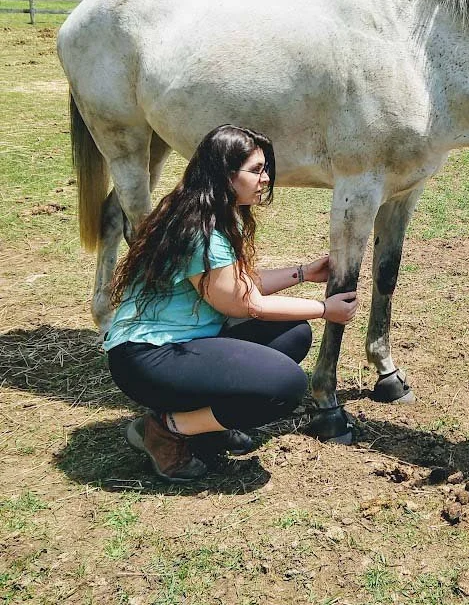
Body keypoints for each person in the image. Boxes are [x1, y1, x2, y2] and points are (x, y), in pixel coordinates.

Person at [103, 125, 359, 483]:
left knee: (292, 334)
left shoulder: (208, 211)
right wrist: (324, 309)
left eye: (265, 169)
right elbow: (246, 304)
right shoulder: (200, 229)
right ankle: (165, 429)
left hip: (178, 347)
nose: (266, 179)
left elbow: (235, 287)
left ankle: (200, 423)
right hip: (146, 357)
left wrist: (303, 273)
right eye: (256, 170)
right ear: (224, 174)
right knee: (285, 386)